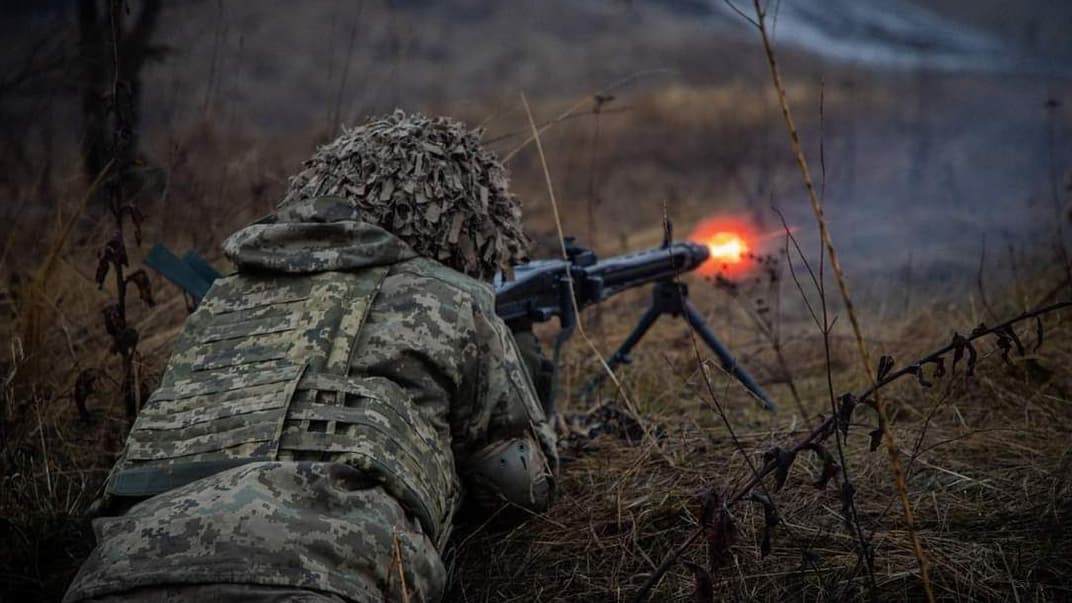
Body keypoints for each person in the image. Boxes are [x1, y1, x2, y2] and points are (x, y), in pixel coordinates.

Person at [64, 111, 558, 603]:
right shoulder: (447, 299)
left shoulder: (221, 302)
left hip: (117, 574)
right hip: (322, 577)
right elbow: (518, 488)